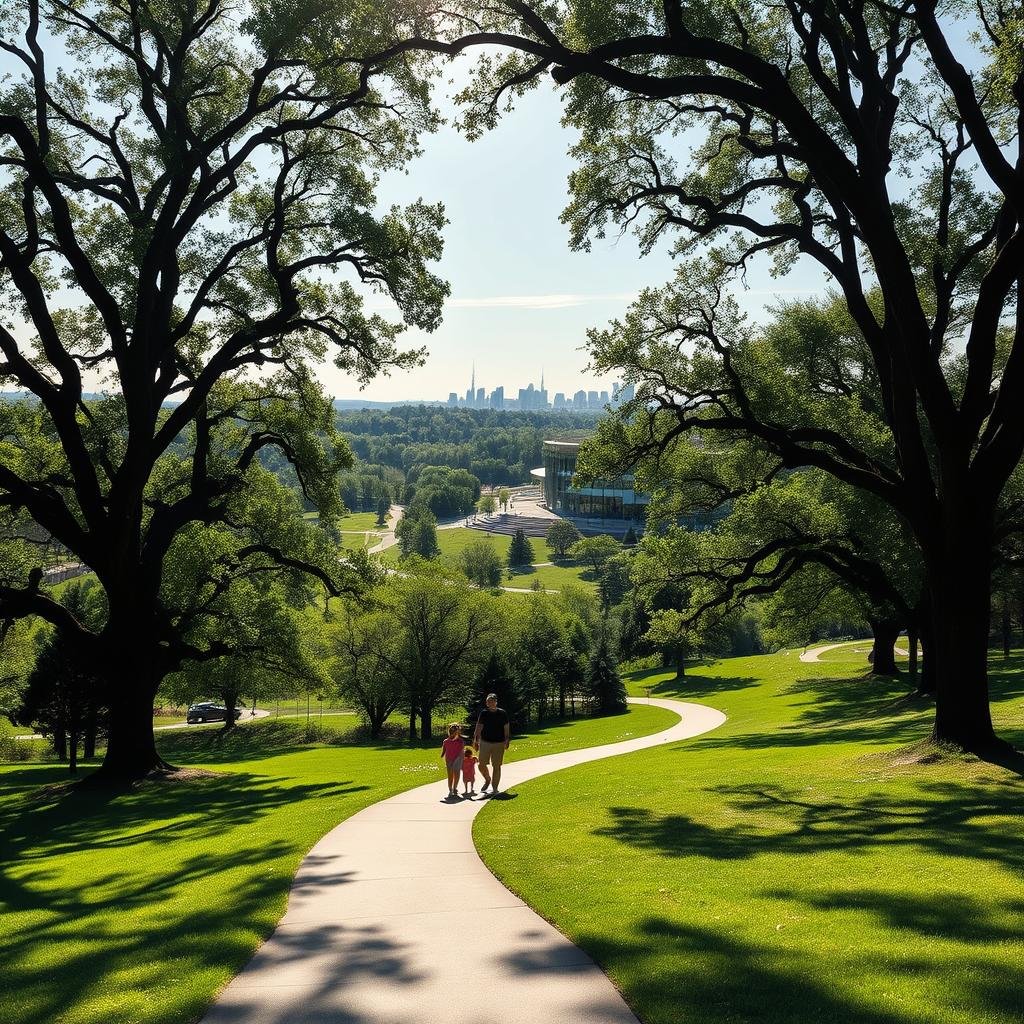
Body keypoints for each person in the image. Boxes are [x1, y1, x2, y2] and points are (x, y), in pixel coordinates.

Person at [473, 693, 510, 795]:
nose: (491, 703)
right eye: (489, 701)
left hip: (499, 743)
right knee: (481, 764)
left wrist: (507, 739)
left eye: (492, 701)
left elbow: (506, 728)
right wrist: (476, 741)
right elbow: (478, 728)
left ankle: (495, 788)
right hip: (485, 742)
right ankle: (487, 779)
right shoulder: (484, 713)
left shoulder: (502, 713)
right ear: (487, 703)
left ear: (496, 702)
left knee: (496, 766)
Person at [441, 723, 465, 799]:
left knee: (456, 774)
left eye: (456, 732)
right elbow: (444, 749)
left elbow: (461, 751)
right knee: (450, 775)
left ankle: (454, 788)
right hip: (449, 760)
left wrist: (460, 759)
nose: (454, 734)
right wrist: (442, 754)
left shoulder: (460, 741)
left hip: (458, 759)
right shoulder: (446, 741)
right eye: (452, 732)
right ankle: (450, 789)